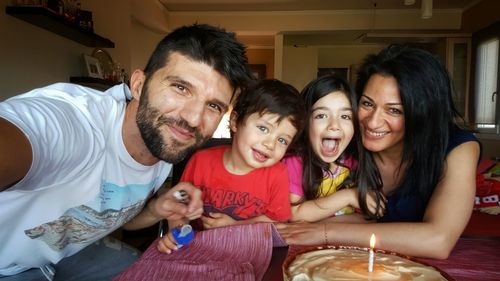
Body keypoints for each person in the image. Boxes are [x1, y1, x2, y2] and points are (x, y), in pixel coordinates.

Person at [0, 23, 254, 280]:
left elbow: (112, 218)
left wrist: (157, 209)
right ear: (139, 85)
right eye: (180, 88)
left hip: (64, 254)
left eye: (213, 105)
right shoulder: (77, 124)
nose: (192, 118)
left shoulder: (165, 143)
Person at [276, 44, 481, 259]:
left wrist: (325, 232)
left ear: (422, 114)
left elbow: (438, 240)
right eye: (367, 104)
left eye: (394, 110)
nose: (372, 123)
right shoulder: (344, 144)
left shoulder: (458, 147)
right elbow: (297, 215)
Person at [157, 79, 306, 254]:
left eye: (282, 140)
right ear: (235, 121)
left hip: (247, 252)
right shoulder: (201, 161)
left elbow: (276, 222)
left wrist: (235, 226)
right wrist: (176, 234)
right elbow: (179, 206)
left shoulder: (278, 173)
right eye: (263, 129)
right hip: (200, 249)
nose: (270, 144)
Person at [282, 75, 385, 223]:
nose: (334, 125)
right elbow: (294, 215)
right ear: (305, 122)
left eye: (345, 116)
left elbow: (370, 216)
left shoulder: (356, 162)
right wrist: (349, 196)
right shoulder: (295, 162)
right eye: (321, 115)